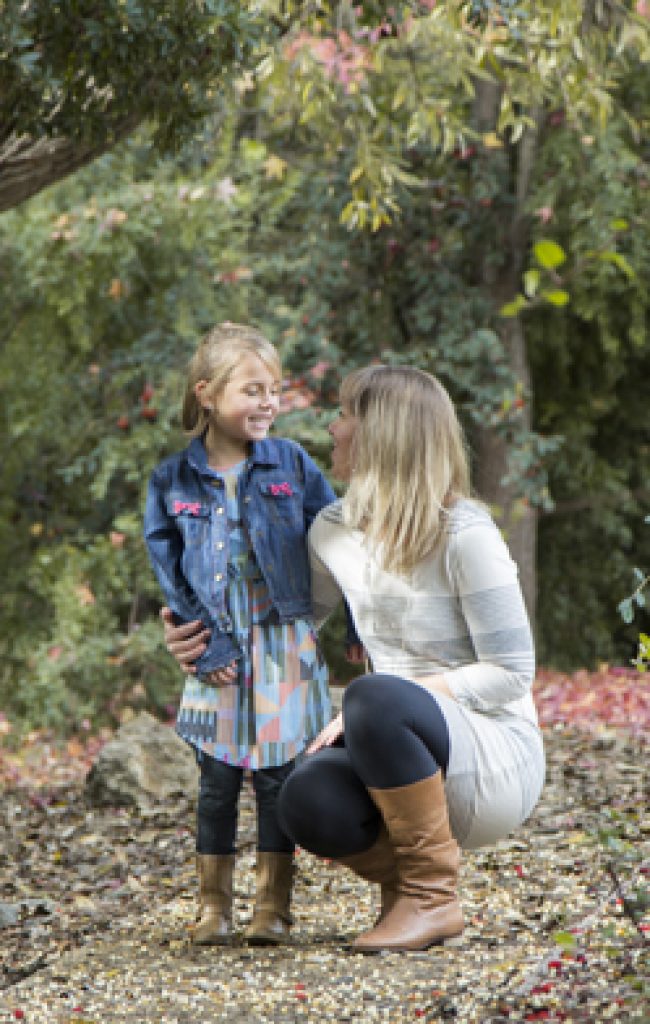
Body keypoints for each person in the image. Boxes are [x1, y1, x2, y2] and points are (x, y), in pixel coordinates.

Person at [163, 363, 545, 954]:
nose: (334, 430)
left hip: (492, 763)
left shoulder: (466, 534)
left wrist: (388, 702)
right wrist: (198, 634)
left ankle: (433, 897)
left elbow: (513, 673)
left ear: (381, 434)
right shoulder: (333, 531)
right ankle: (407, 891)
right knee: (303, 794)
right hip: (395, 751)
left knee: (374, 694)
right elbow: (293, 621)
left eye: (346, 417)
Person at [144, 322, 342, 947]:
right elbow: (168, 568)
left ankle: (273, 908)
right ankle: (213, 907)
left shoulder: (293, 464)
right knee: (217, 779)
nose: (268, 403)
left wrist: (358, 625)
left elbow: (340, 545)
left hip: (282, 640)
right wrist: (208, 644)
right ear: (206, 394)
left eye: (274, 390)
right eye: (252, 389)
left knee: (279, 775)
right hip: (218, 649)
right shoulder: (172, 481)